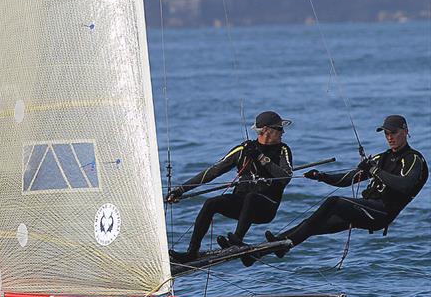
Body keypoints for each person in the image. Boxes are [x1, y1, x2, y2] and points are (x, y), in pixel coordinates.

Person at [265, 115, 427, 255]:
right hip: (367, 209)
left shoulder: (413, 159)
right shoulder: (382, 158)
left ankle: (286, 243)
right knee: (316, 223)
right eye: (386, 134)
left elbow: (404, 185)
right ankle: (275, 246)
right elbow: (349, 178)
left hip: (381, 214)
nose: (389, 137)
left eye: (394, 133)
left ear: (405, 132)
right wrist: (322, 177)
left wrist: (373, 170)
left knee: (334, 202)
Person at [167, 111, 294, 263]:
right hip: (242, 206)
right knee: (211, 203)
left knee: (251, 198)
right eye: (279, 129)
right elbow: (212, 172)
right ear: (266, 130)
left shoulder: (283, 150)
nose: (283, 132)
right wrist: (180, 190)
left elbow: (286, 178)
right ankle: (192, 252)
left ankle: (237, 240)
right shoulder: (243, 150)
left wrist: (261, 159)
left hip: (266, 208)